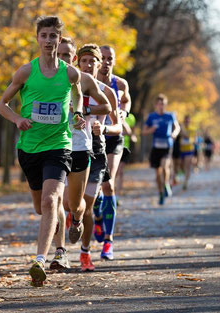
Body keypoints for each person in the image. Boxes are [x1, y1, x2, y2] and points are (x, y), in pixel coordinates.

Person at [0, 16, 86, 286]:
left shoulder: (70, 72)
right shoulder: (26, 72)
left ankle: (40, 259)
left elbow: (78, 94)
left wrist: (78, 112)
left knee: (51, 201)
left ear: (60, 40)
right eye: (44, 35)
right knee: (42, 206)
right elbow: (2, 104)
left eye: (53, 36)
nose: (48, 40)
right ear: (38, 39)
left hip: (59, 145)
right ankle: (58, 245)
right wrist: (17, 120)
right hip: (29, 147)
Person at [50, 37, 112, 270]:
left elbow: (108, 109)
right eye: (61, 54)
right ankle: (60, 251)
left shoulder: (90, 84)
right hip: (59, 145)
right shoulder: (52, 81)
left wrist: (87, 112)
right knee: (58, 201)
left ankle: (85, 252)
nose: (87, 65)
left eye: (69, 56)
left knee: (83, 205)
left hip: (90, 148)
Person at [76, 43, 122, 270]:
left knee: (89, 202)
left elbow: (118, 127)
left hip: (95, 150)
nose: (88, 65)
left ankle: (90, 250)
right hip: (69, 149)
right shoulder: (68, 88)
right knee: (71, 205)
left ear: (98, 65)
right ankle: (74, 221)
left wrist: (103, 130)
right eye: (83, 61)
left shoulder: (108, 92)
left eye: (92, 62)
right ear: (78, 63)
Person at [92, 45, 132, 260]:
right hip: (93, 138)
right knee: (95, 189)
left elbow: (126, 100)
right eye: (103, 58)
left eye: (110, 59)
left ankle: (109, 241)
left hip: (113, 137)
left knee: (108, 183)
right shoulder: (89, 82)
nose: (106, 62)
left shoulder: (120, 83)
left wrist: (123, 113)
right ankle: (97, 217)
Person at [143, 94, 180, 205]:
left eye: (163, 104)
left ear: (165, 105)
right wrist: (151, 130)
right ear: (156, 105)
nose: (161, 106)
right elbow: (144, 131)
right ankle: (160, 193)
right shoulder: (151, 117)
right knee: (158, 173)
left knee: (165, 166)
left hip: (167, 145)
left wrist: (174, 133)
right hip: (156, 147)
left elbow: (177, 127)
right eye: (159, 104)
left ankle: (166, 184)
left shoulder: (170, 116)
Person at [115, 112, 137, 203]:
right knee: (114, 173)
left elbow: (131, 131)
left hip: (124, 147)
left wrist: (133, 136)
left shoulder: (131, 117)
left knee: (120, 172)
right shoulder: (113, 112)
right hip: (113, 146)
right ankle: (110, 193)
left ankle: (117, 195)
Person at [179, 115, 196, 190]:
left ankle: (185, 182)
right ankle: (183, 175)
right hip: (181, 150)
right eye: (185, 120)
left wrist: (182, 131)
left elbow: (187, 136)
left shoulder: (192, 129)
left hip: (189, 150)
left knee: (187, 166)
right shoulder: (180, 128)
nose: (187, 122)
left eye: (188, 121)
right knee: (181, 166)